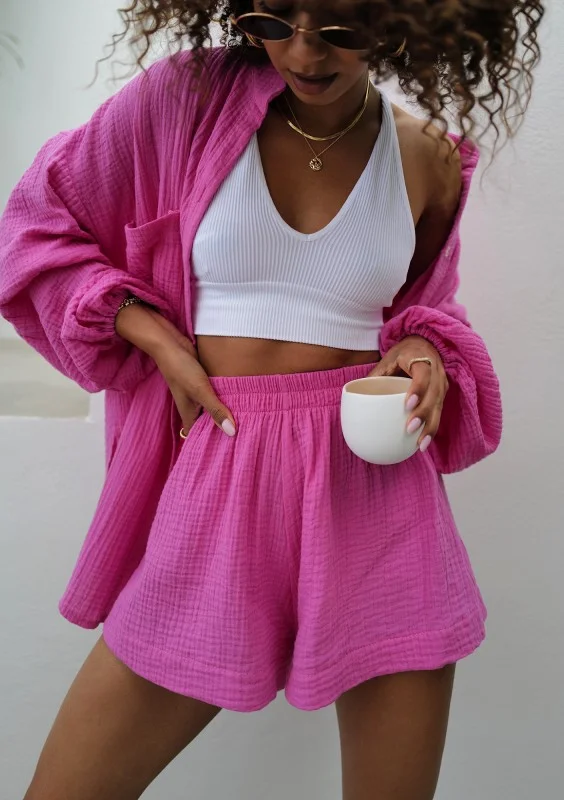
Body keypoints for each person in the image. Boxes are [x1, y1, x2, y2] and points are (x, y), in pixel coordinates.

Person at [0, 1, 544, 798]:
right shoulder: (183, 102)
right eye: (273, 20)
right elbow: (35, 227)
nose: (303, 53)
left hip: (378, 498)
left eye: (340, 29)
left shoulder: (426, 157)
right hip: (222, 471)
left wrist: (422, 350)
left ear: (401, 19)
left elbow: (424, 310)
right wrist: (150, 332)